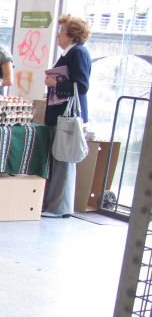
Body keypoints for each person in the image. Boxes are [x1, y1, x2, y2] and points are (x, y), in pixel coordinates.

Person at [42, 14, 92, 218]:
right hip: (59, 114)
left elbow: (82, 85)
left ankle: (60, 207)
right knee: (58, 159)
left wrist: (56, 85)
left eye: (61, 32)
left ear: (71, 35)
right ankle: (54, 204)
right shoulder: (70, 53)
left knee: (64, 159)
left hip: (67, 116)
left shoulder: (79, 53)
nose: (58, 36)